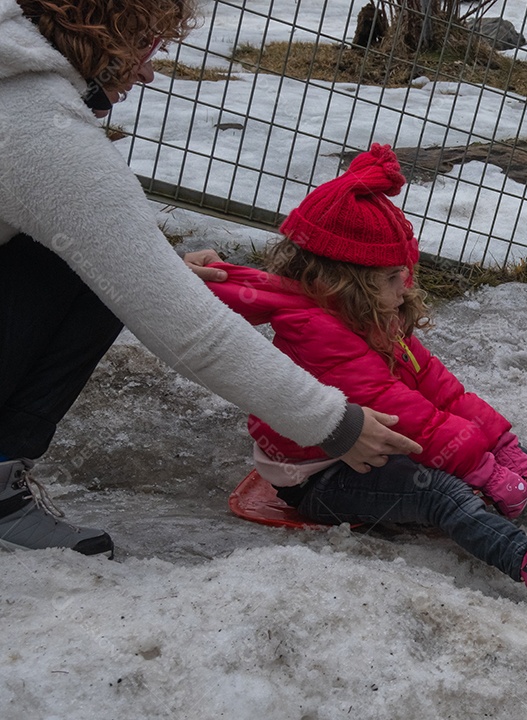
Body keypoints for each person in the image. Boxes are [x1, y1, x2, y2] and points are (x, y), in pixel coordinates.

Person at [0, 0, 422, 559]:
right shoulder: (38, 128)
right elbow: (192, 332)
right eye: (144, 45)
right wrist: (334, 423)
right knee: (114, 275)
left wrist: (150, 265)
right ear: (97, 30)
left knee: (95, 259)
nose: (148, 70)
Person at [202, 144, 527, 609]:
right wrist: (479, 468)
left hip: (365, 442)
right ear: (348, 281)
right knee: (438, 490)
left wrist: (500, 444)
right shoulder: (319, 332)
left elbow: (435, 387)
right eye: (392, 278)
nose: (405, 286)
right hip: (321, 478)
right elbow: (407, 417)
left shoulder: (362, 312)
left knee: (465, 435)